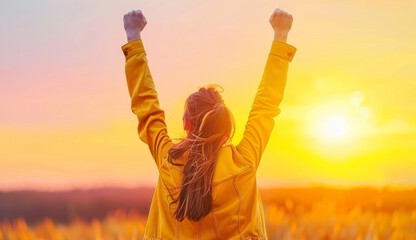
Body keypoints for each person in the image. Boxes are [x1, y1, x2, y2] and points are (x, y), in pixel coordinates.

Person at [122, 7, 296, 239]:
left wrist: (133, 36)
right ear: (224, 128)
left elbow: (147, 109)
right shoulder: (243, 162)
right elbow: (265, 106)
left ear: (186, 123)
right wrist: (280, 36)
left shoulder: (168, 161)